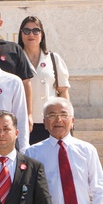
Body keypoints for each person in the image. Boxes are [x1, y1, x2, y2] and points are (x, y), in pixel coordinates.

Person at [17, 16, 69, 144]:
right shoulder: (16, 60)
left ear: (42, 35)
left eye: (36, 30)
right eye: (26, 31)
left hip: (51, 122)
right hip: (25, 123)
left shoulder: (53, 58)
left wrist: (66, 117)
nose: (31, 34)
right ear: (21, 34)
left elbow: (62, 91)